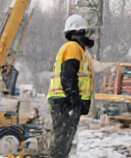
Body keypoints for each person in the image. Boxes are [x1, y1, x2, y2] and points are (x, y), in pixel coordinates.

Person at [47, 14, 95, 158]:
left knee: (64, 141)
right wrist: (75, 100)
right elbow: (68, 77)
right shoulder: (73, 48)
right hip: (65, 100)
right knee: (62, 142)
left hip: (64, 99)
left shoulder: (77, 50)